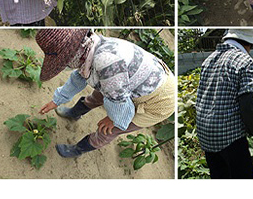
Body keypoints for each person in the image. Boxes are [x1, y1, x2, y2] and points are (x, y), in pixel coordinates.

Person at [35, 29, 175, 158]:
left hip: (159, 101)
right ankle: (75, 113)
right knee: (98, 95)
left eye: (62, 62)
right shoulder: (88, 48)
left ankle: (79, 149)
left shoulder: (107, 64)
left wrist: (113, 120)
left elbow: (120, 105)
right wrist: (57, 100)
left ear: (72, 54)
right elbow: (79, 77)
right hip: (136, 80)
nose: (63, 65)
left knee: (108, 130)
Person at [195, 29, 253, 179]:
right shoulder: (244, 61)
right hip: (230, 137)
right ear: (248, 44)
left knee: (219, 176)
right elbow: (249, 104)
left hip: (205, 134)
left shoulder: (208, 60)